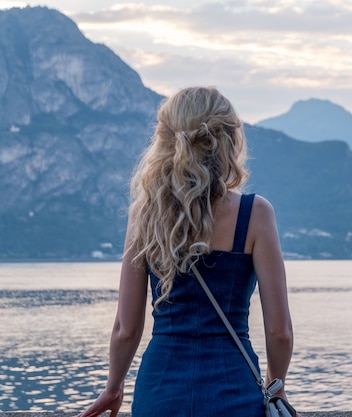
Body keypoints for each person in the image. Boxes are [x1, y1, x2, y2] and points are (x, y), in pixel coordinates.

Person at [75, 86, 294, 417]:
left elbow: (126, 329)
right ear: (230, 141)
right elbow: (279, 332)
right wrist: (276, 385)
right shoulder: (256, 215)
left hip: (159, 394)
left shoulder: (145, 215)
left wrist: (113, 387)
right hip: (233, 392)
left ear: (165, 141)